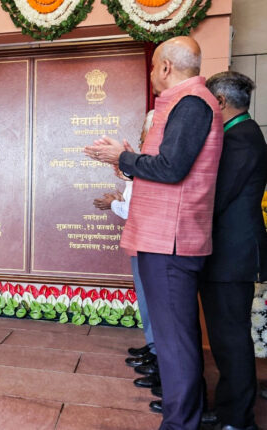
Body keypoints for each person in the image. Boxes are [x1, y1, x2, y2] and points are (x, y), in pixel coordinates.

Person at [85, 36, 223, 429]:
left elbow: (172, 168)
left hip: (170, 239)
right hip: (164, 236)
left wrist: (124, 157)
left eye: (152, 66)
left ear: (165, 67)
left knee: (174, 342)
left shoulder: (191, 103)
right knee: (173, 338)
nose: (151, 74)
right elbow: (166, 167)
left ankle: (181, 423)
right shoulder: (186, 103)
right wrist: (127, 161)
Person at [199, 71, 266, 430]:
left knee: (231, 340)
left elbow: (217, 196)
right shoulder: (240, 134)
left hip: (231, 256)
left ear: (221, 102)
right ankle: (229, 411)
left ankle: (238, 420)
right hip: (227, 255)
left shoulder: (241, 138)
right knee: (226, 339)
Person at [93, 111, 159, 389]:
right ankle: (153, 347)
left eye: (146, 128)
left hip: (149, 242)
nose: (143, 134)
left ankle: (157, 353)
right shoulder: (145, 161)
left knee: (153, 301)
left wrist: (114, 204)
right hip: (139, 240)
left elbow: (138, 209)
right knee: (146, 300)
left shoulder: (154, 162)